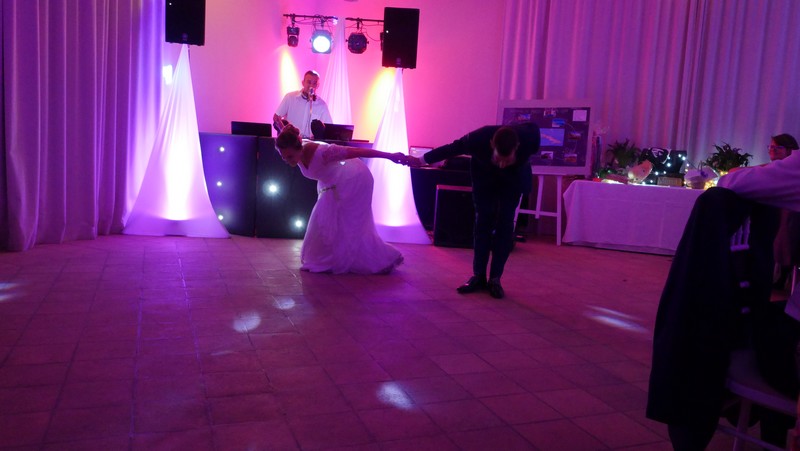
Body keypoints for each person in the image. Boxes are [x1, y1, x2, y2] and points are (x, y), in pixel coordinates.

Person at [407, 123, 540, 299]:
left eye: (507, 160)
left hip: (513, 180)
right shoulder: (478, 138)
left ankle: (495, 279)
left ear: (517, 147)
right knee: (482, 223)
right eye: (498, 159)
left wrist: (512, 164)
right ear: (491, 145)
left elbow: (531, 129)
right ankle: (478, 276)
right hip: (484, 178)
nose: (501, 165)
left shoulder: (530, 139)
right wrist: (421, 160)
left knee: (505, 225)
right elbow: (451, 148)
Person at [274, 124, 406, 274]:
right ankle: (329, 258)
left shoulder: (322, 152)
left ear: (298, 148)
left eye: (290, 156)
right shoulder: (295, 147)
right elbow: (289, 137)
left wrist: (391, 156)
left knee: (349, 223)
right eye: (283, 157)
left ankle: (382, 259)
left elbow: (357, 152)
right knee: (325, 220)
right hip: (331, 182)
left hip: (355, 179)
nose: (287, 160)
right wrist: (281, 126)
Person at [273, 70, 333, 139]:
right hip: (291, 141)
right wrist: (284, 131)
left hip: (310, 143)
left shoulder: (322, 105)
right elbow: (276, 117)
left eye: (314, 83)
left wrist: (319, 135)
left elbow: (329, 128)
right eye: (309, 82)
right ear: (303, 83)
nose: (311, 86)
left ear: (318, 85)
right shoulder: (290, 97)